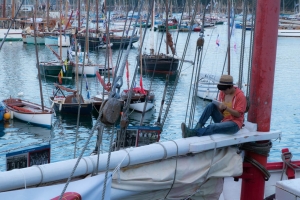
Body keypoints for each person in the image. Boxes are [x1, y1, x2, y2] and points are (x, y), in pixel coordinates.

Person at [181, 75, 247, 138]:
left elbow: (238, 114)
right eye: (222, 90)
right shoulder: (222, 93)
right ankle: (197, 127)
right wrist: (217, 104)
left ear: (231, 87)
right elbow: (221, 110)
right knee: (211, 105)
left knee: (213, 126)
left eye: (225, 90)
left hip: (234, 124)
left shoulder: (240, 96)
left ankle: (192, 132)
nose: (223, 92)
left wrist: (226, 108)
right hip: (223, 119)